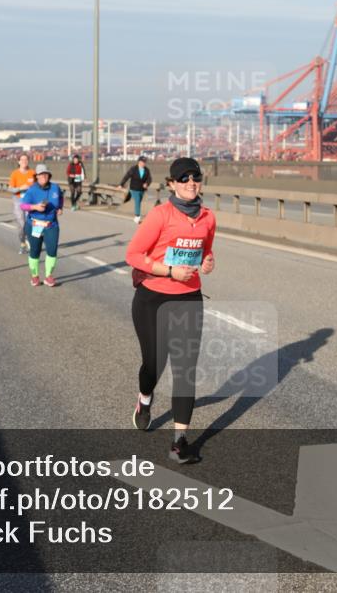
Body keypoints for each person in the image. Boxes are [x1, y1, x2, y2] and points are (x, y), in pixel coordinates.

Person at [125, 157, 216, 465]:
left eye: (196, 177)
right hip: (153, 298)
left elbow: (206, 250)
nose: (191, 182)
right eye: (184, 178)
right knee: (154, 364)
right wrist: (168, 271)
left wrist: (207, 262)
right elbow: (133, 254)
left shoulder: (207, 218)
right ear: (172, 184)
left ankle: (179, 442)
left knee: (185, 371)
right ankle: (145, 400)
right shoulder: (160, 215)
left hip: (189, 298)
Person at [20, 164, 64, 287]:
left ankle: (49, 276)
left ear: (49, 175)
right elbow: (23, 206)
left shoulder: (55, 188)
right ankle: (35, 277)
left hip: (51, 225)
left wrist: (60, 207)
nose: (43, 176)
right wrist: (35, 207)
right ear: (37, 176)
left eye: (46, 174)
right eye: (41, 174)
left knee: (52, 250)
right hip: (36, 225)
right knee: (35, 251)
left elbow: (60, 198)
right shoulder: (32, 190)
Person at [8, 154, 36, 254]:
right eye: (22, 160)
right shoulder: (15, 173)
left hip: (30, 201)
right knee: (22, 224)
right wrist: (20, 188)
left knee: (30, 222)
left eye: (26, 159)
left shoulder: (33, 173)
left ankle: (31, 242)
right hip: (18, 199)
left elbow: (38, 186)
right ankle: (23, 243)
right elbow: (10, 188)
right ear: (18, 162)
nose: (24, 161)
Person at [120, 156, 152, 223]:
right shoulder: (133, 169)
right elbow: (127, 176)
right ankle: (137, 216)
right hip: (134, 188)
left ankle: (136, 214)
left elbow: (149, 179)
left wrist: (147, 183)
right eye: (143, 162)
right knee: (137, 201)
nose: (144, 163)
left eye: (145, 162)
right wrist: (121, 184)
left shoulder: (146, 170)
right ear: (139, 162)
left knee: (139, 202)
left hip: (142, 189)